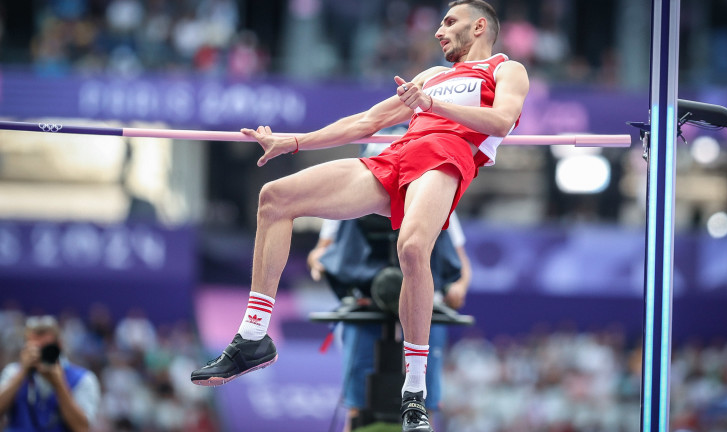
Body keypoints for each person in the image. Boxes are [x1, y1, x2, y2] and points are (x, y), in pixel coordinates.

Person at [191, 1, 528, 430]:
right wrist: (293, 141)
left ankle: (414, 392)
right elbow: (367, 122)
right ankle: (253, 337)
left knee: (411, 248)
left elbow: (501, 121)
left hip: (445, 158)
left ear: (480, 26)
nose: (439, 31)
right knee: (275, 197)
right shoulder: (430, 77)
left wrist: (432, 106)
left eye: (449, 22)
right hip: (397, 156)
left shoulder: (506, 69)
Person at [307, 142, 472, 431]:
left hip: (424, 309)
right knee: (357, 402)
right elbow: (321, 251)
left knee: (425, 403)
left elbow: (461, 265)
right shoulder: (350, 195)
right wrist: (319, 262)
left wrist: (459, 287)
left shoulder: (438, 192)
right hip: (365, 305)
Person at [0, 315, 101, 432]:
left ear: (59, 345)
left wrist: (59, 384)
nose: (40, 353)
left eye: (46, 348)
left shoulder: (84, 379)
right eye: (35, 348)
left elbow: (82, 428)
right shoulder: (13, 372)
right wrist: (22, 373)